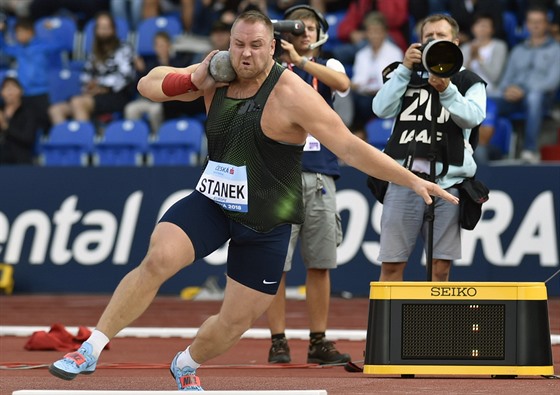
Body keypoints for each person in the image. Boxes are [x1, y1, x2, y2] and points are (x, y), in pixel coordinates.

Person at [48, 10, 458, 391]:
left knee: (235, 321)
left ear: (273, 46)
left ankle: (186, 364)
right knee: (158, 258)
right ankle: (91, 348)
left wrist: (412, 180)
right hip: (213, 201)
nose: (245, 53)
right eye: (238, 44)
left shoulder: (293, 94)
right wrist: (195, 79)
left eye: (255, 45)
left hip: (267, 219)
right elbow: (148, 85)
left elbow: (350, 148)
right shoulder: (218, 73)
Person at [264, 5, 351, 365]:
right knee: (275, 264)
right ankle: (277, 340)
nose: (306, 31)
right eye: (298, 27)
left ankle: (318, 339)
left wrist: (300, 60)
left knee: (320, 262)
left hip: (318, 173)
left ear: (321, 31)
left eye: (312, 26)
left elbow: (342, 85)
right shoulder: (272, 67)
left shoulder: (329, 65)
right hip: (279, 171)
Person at [372, 14, 486, 282]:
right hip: (404, 180)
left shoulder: (469, 80)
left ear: (455, 43)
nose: (434, 41)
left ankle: (435, 324)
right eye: (428, 37)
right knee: (391, 265)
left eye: (441, 36)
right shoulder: (404, 74)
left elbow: (473, 117)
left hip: (448, 184)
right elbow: (380, 109)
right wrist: (403, 70)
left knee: (440, 268)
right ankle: (390, 325)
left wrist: (447, 90)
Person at [494, 5, 560, 163]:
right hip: (514, 96)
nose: (535, 25)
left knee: (534, 97)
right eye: (532, 21)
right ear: (526, 25)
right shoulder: (517, 50)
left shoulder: (556, 49)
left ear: (546, 24)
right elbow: (505, 80)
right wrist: (508, 90)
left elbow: (552, 82)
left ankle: (530, 150)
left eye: (539, 22)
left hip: (542, 98)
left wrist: (524, 91)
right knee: (488, 101)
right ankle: (488, 150)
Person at [48, 11, 136, 126]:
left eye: (106, 28)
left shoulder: (124, 48)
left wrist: (101, 86)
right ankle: (67, 141)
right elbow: (86, 74)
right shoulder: (94, 51)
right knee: (55, 110)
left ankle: (83, 141)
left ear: (113, 29)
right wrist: (89, 85)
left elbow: (127, 76)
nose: (103, 32)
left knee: (78, 102)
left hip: (117, 95)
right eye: (100, 28)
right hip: (95, 96)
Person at [460, 13, 508, 163]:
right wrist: (469, 58)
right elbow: (460, 75)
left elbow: (495, 76)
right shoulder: (465, 48)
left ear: (492, 29)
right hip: (468, 95)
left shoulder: (499, 46)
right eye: (478, 25)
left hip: (492, 94)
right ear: (473, 28)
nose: (482, 28)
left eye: (486, 25)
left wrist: (479, 59)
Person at [0, 17, 61, 133]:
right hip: (25, 93)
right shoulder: (18, 49)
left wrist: (52, 30)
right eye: (17, 33)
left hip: (42, 92)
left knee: (45, 121)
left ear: (31, 32)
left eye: (22, 32)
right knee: (28, 124)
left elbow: (59, 46)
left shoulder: (42, 46)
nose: (19, 36)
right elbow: (4, 48)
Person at [350, 11, 403, 139]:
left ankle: (360, 133)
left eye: (377, 31)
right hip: (365, 96)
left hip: (386, 95)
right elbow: (358, 81)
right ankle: (355, 134)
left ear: (385, 32)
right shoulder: (361, 54)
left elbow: (393, 82)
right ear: (366, 33)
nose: (374, 35)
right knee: (351, 98)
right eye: (371, 31)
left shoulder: (395, 53)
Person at [124, 31, 191, 133]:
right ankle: (137, 137)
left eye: (163, 45)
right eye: (158, 45)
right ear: (154, 47)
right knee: (131, 109)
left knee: (155, 111)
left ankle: (158, 136)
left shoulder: (178, 62)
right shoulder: (150, 64)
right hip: (148, 99)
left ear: (169, 46)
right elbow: (140, 85)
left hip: (166, 100)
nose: (161, 48)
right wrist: (141, 71)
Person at [0, 76, 39, 164]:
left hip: (20, 159)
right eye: (6, 88)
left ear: (20, 91)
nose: (10, 91)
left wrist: (6, 126)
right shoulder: (1, 111)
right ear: (1, 93)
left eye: (13, 87)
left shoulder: (28, 112)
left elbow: (28, 138)